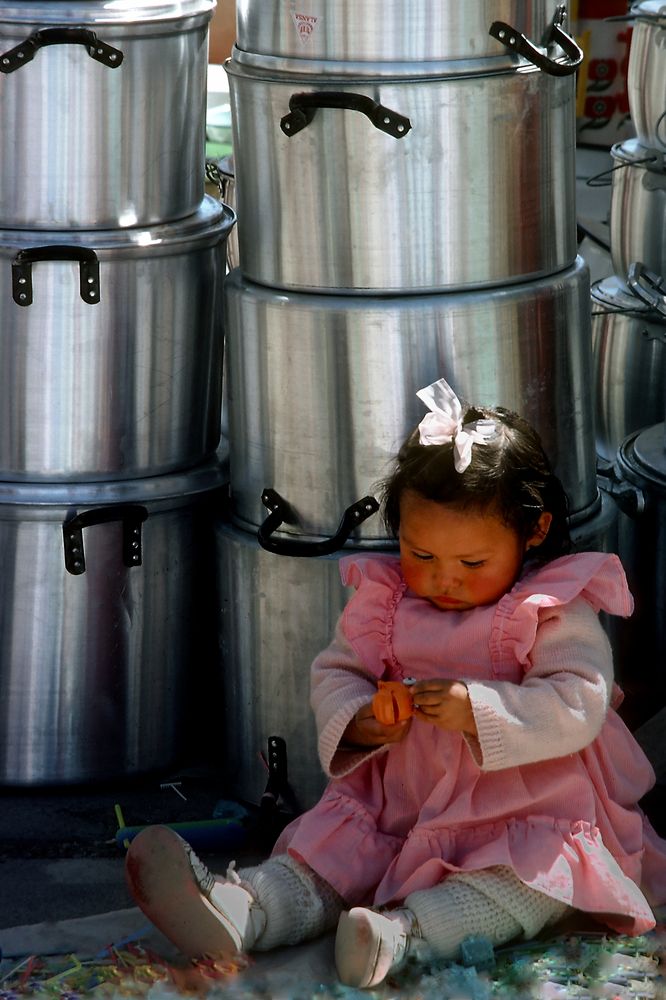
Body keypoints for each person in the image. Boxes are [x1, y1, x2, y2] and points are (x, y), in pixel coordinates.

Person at [126, 377, 666, 989]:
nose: (443, 580)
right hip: (396, 805)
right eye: (420, 554)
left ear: (534, 531)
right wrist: (363, 717)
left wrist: (480, 709)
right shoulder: (384, 605)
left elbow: (580, 699)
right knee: (327, 857)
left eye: (471, 563)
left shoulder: (548, 608)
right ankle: (243, 910)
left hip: (523, 811)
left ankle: (401, 936)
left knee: (528, 884)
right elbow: (336, 674)